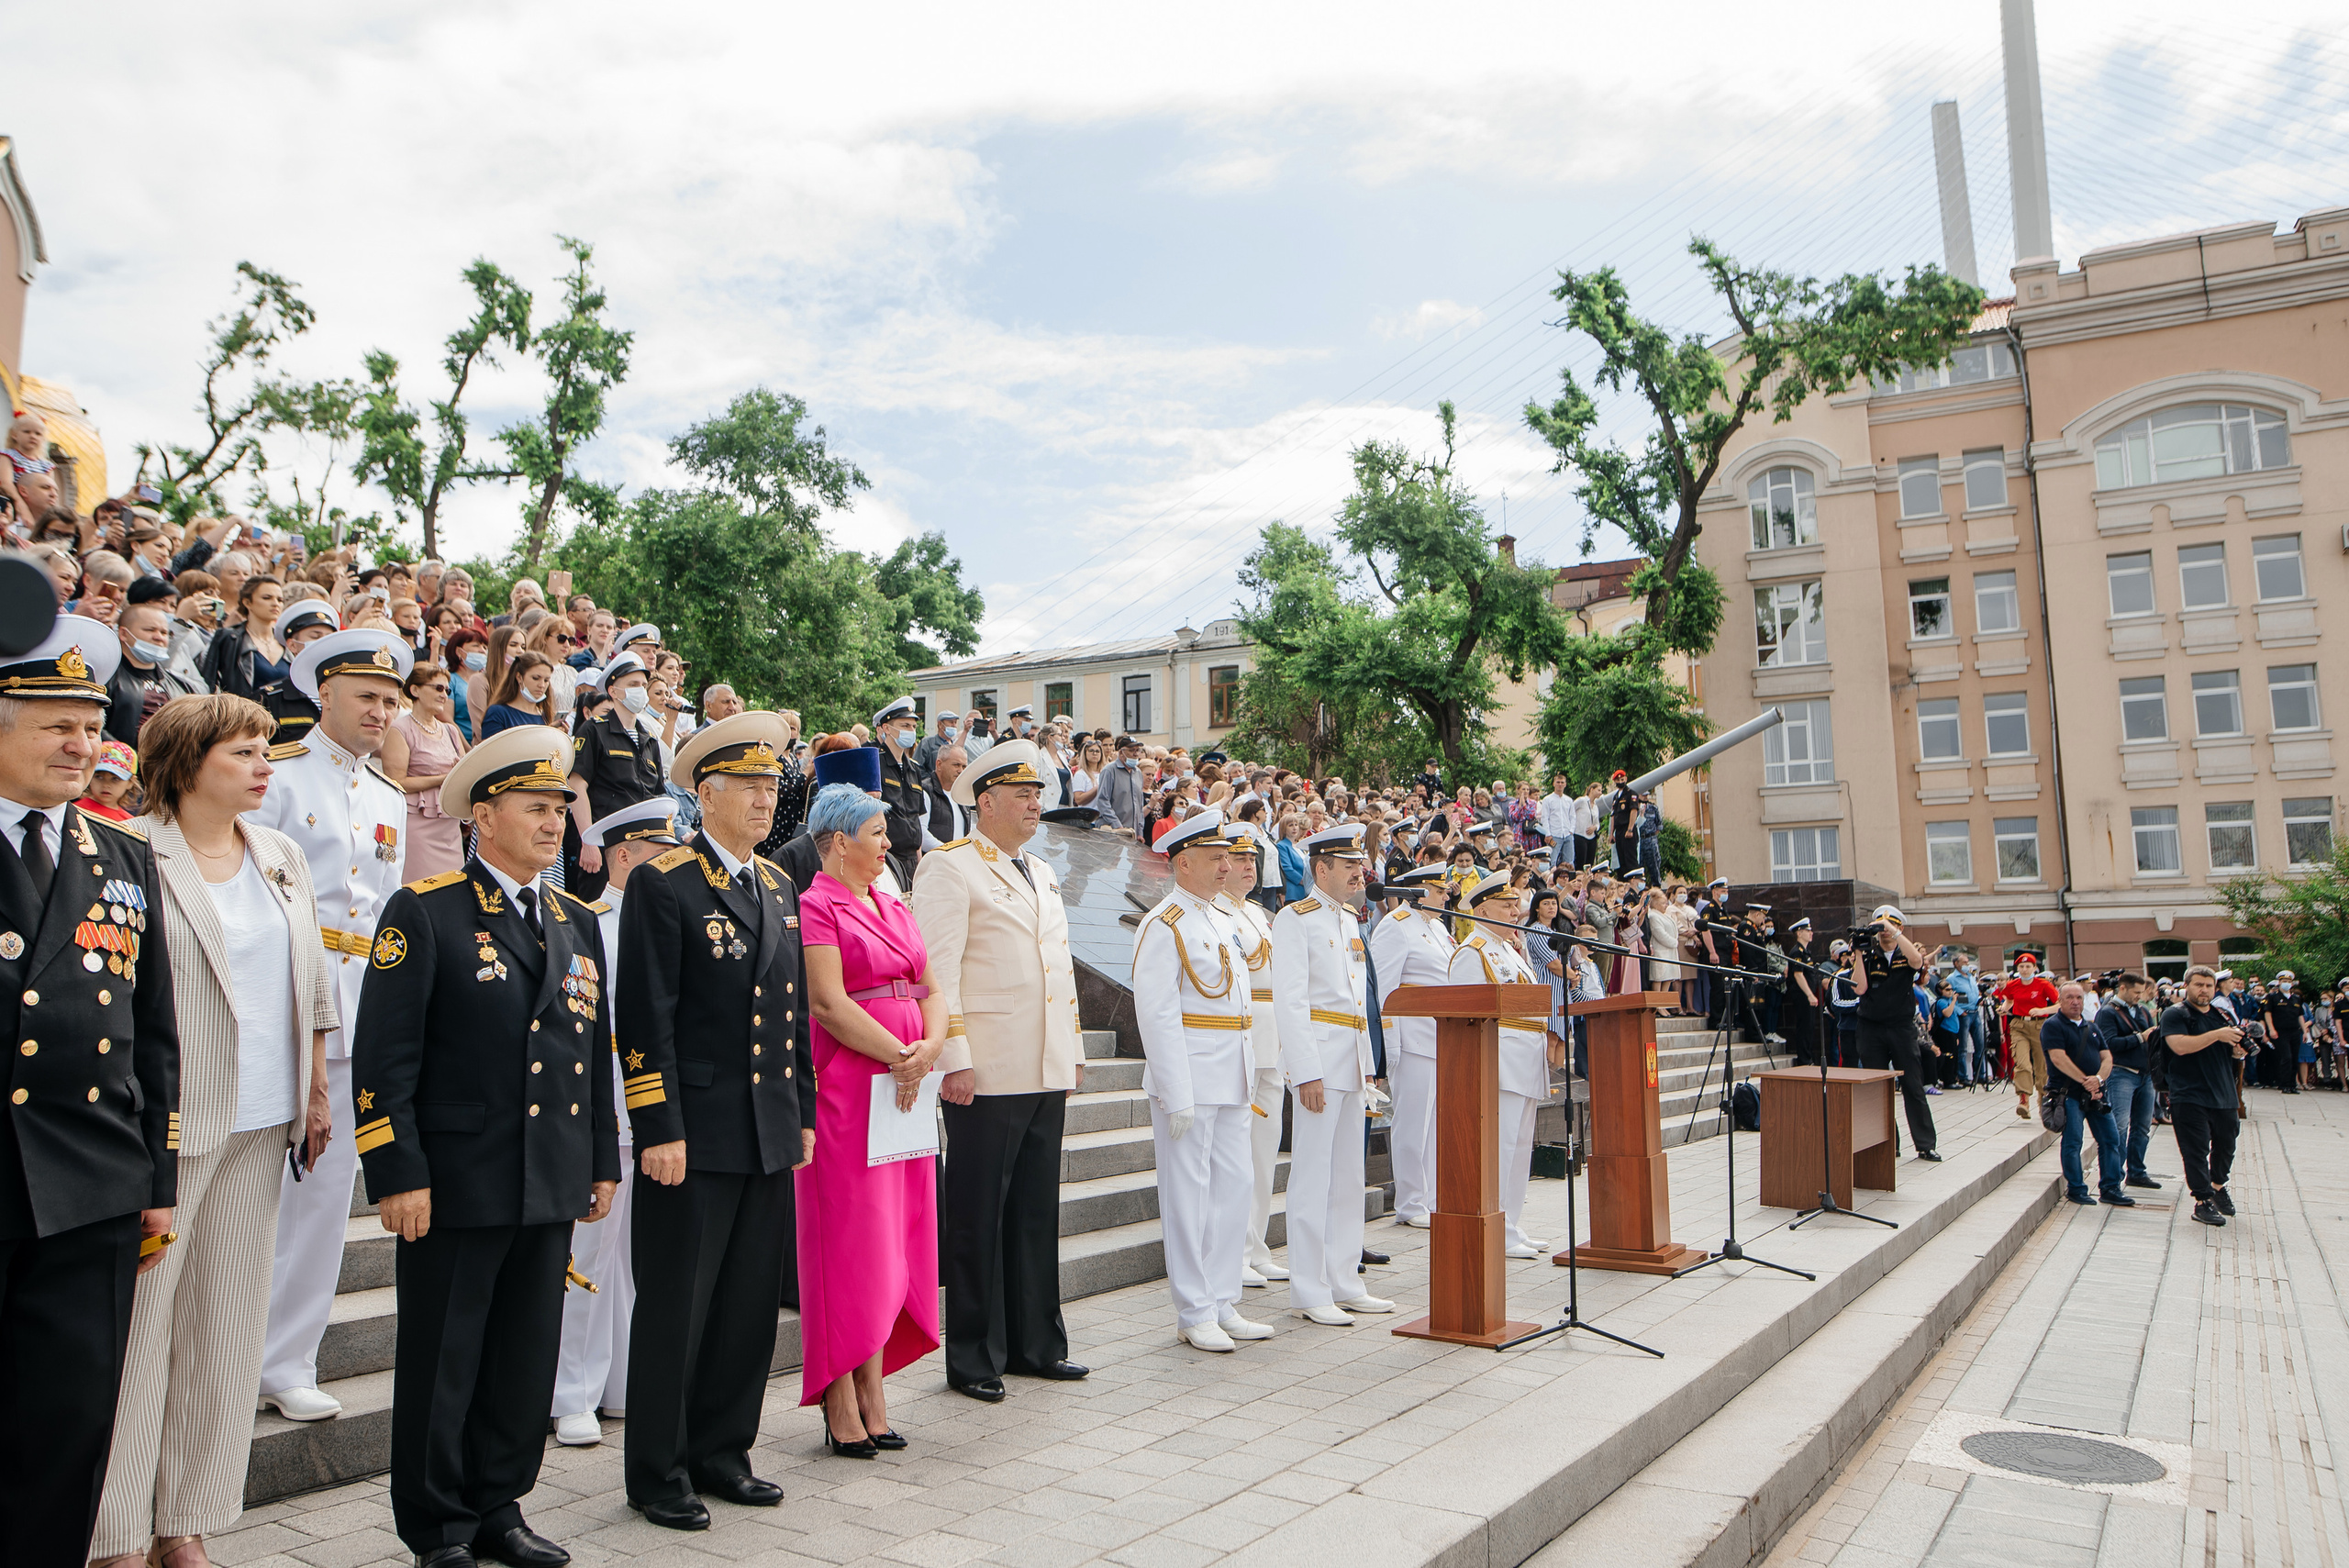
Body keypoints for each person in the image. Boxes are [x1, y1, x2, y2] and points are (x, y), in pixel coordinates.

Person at [354, 724, 619, 1568]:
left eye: (562, 808)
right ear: (483, 814)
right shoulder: (425, 910)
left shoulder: (576, 920)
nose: (556, 823)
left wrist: (601, 1159)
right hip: (457, 1177)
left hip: (548, 1173)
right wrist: (396, 1170)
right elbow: (386, 1056)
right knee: (445, 1358)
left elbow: (590, 1055)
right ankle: (437, 1525)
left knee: (522, 1352)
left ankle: (498, 1502)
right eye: (537, 807)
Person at [93, 695, 339, 1568]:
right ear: (189, 760)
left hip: (263, 1118)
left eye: (266, 749)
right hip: (169, 1129)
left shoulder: (278, 855)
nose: (265, 765)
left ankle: (184, 1522)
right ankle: (115, 1532)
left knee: (225, 1335)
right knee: (137, 1339)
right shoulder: (127, 853)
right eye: (245, 751)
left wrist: (315, 1092)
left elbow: (311, 980)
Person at [0, 617, 183, 1565]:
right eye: (53, 723)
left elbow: (156, 1034)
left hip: (93, 1185)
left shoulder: (122, 857)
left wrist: (159, 1173)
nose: (82, 743)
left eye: (88, 721)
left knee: (66, 1431)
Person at [617, 712, 811, 1529]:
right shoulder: (666, 882)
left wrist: (799, 1111)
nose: (768, 799)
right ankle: (659, 1470)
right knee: (678, 1306)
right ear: (706, 792)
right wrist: (658, 1125)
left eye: (774, 786)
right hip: (693, 1132)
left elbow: (790, 1011)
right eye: (751, 786)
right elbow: (646, 1017)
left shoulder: (775, 883)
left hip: (765, 1126)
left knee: (745, 1304)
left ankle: (723, 1450)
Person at [247, 628, 413, 1423]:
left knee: (323, 1196)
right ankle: (231, 1348)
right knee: (259, 1188)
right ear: (325, 695)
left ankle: (290, 1358)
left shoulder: (386, 796)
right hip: (278, 1000)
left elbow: (381, 914)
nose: (380, 711)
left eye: (390, 700)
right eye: (367, 697)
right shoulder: (275, 773)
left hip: (354, 1007)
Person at [909, 740, 1089, 1401]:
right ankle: (974, 1353)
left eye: (1038, 794)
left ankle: (1036, 1343)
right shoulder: (950, 869)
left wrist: (1070, 1051)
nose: (1035, 804)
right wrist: (952, 1056)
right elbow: (937, 973)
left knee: (1035, 1213)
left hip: (1040, 1065)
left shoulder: (1039, 871)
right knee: (977, 1216)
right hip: (984, 1069)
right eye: (1023, 794)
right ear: (986, 802)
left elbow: (1058, 971)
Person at [796, 783, 946, 1454]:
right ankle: (839, 1393)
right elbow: (827, 1003)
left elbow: (930, 988)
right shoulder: (815, 906)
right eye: (878, 833)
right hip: (853, 1090)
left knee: (897, 1237)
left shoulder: (892, 901)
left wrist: (931, 1046)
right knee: (852, 1239)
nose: (890, 844)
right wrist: (899, 1055)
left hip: (904, 1092)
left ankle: (875, 1388)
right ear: (838, 842)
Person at [548, 797, 682, 1448]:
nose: (672, 862)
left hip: (657, 1112)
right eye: (660, 852)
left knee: (637, 1258)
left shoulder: (671, 913)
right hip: (603, 1104)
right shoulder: (589, 921)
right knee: (588, 1257)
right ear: (623, 855)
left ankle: (622, 1381)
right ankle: (570, 1390)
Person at [1130, 809, 1268, 1353]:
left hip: (1231, 1076)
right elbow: (1158, 1013)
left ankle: (1223, 1298)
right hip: (1189, 1077)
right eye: (1216, 858)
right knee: (1189, 1196)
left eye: (1228, 858)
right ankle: (1193, 1309)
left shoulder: (1220, 919)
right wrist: (1174, 1090)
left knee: (1233, 1190)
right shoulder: (1162, 924)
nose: (1226, 867)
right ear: (1182, 862)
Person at [1270, 825, 1393, 1323]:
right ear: (1321, 869)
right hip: (1319, 1061)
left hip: (1351, 1061)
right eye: (1349, 866)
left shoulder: (1348, 921)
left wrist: (1367, 1068)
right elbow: (1292, 1001)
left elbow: (1359, 1006)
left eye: (1359, 865)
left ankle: (1344, 1277)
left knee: (1348, 1177)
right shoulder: (1293, 920)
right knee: (1312, 1177)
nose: (1359, 873)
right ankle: (1309, 1289)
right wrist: (1305, 1072)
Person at [1447, 871, 1553, 1258]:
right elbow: (1465, 1017)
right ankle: (1497, 1227)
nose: (1515, 911)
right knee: (1503, 1145)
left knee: (1521, 1144)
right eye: (1507, 905)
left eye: (1515, 904)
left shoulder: (1510, 950)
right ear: (1483, 908)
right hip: (1501, 1060)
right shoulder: (1472, 952)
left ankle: (1512, 1222)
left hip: (1526, 1056)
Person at [1217, 829, 1286, 1285]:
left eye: (1253, 860)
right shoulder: (1216, 912)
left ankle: (1256, 1243)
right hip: (1239, 1039)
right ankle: (1233, 1252)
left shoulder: (1261, 914)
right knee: (1237, 1154)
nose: (1248, 867)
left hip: (1272, 1038)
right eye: (1239, 859)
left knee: (1264, 1150)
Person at [1372, 866, 1457, 1230]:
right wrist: (1388, 1048)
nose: (1446, 896)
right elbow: (1383, 990)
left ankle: (1435, 1197)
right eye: (1439, 890)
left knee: (1437, 1126)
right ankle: (1410, 1202)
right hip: (1413, 1037)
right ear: (1420, 890)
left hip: (1443, 1036)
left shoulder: (1438, 928)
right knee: (1413, 1122)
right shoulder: (1396, 924)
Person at [566, 653, 667, 899]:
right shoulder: (593, 730)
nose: (641, 691)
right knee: (595, 917)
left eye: (643, 686)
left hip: (642, 847)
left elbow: (658, 795)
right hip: (604, 846)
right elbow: (576, 785)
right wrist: (587, 841)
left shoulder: (649, 739)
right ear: (613, 691)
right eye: (633, 685)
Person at [2158, 966, 2246, 1227]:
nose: (2204, 990)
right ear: (2187, 986)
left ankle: (2217, 1186)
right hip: (2188, 1093)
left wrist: (2237, 1050)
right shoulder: (2175, 1014)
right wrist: (2217, 1035)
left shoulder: (2221, 1015)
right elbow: (2180, 1046)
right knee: (2195, 1150)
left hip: (2223, 1092)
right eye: (2199, 985)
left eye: (2209, 986)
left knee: (2227, 1142)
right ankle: (2202, 1200)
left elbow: (2229, 1051)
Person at [2042, 983, 2131, 1207]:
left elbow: (2107, 1057)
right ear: (2060, 1001)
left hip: (2097, 1094)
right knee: (2073, 1141)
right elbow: (2058, 1059)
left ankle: (2110, 1188)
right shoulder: (2053, 1026)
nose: (2075, 1002)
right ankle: (2076, 1188)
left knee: (2111, 1139)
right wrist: (2086, 1082)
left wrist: (2098, 1080)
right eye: (2069, 997)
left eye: (2079, 997)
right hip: (2068, 1093)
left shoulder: (2091, 1027)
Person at [383, 663, 472, 883]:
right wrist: (443, 779)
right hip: (416, 826)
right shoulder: (399, 729)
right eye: (438, 688)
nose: (444, 695)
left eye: (447, 691)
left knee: (452, 889)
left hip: (449, 826)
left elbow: (462, 773)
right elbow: (396, 782)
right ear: (415, 690)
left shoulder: (451, 730)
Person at [2092, 971, 2163, 1191]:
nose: (2140, 996)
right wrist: (2140, 1037)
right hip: (2122, 1073)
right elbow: (2108, 1044)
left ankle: (2137, 1172)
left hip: (2146, 1073)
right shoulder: (2107, 1012)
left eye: (2142, 992)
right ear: (2122, 988)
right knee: (2119, 1126)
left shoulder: (2142, 1010)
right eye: (2136, 992)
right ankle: (2114, 1176)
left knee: (2142, 1127)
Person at [106, 599, 202, 747]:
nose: (159, 637)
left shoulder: (180, 685)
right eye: (150, 630)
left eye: (164, 632)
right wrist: (123, 756)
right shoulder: (104, 678)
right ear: (124, 633)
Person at [256, 600, 341, 746]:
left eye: (329, 637)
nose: (324, 643)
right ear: (292, 645)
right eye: (315, 636)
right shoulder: (269, 699)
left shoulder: (345, 695)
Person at [871, 697, 928, 888]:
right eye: (905, 725)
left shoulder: (914, 769)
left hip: (912, 858)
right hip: (886, 855)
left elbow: (915, 817)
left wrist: (919, 860)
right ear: (886, 728)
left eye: (913, 726)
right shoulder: (875, 764)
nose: (911, 731)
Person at [2000, 952, 2058, 1121]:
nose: (2025, 970)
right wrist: (2004, 1008)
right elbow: (2009, 1001)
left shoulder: (2043, 984)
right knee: (2022, 1062)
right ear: (2017, 969)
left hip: (2040, 1026)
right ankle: (2024, 1100)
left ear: (2035, 968)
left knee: (2042, 1066)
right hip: (2019, 1025)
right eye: (2021, 967)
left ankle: (2043, 1100)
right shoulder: (2012, 985)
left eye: (2028, 966)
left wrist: (2043, 1010)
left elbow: (2059, 1004)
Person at [1092, 734, 1148, 834]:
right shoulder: (1109, 771)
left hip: (1132, 831)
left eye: (1137, 750)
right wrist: (1117, 825)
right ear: (1121, 752)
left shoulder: (1138, 772)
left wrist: (1139, 831)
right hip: (1113, 831)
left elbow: (1139, 805)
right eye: (1131, 750)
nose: (1135, 754)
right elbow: (1103, 801)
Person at [923, 746, 972, 845]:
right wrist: (946, 852)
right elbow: (921, 834)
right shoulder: (925, 791)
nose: (960, 771)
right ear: (939, 764)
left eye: (964, 767)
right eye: (956, 765)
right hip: (936, 858)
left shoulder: (962, 795)